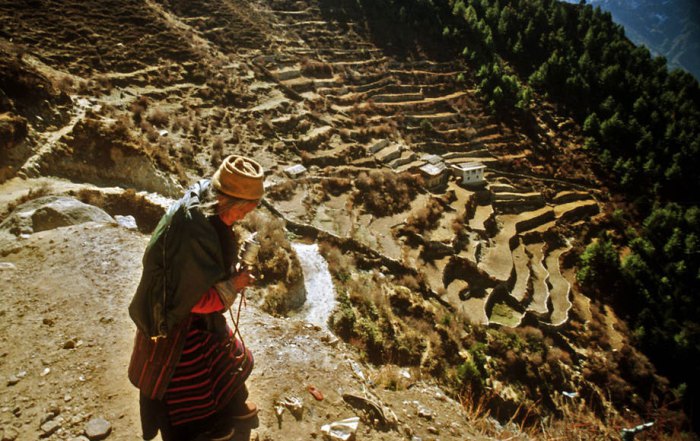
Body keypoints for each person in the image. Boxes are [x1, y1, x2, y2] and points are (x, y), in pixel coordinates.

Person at [128, 155, 264, 441]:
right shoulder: (194, 231)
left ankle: (234, 408)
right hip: (173, 322)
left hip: (195, 316)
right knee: (191, 389)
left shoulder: (208, 201)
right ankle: (203, 431)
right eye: (241, 213)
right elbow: (194, 299)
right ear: (229, 202)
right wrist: (234, 285)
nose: (241, 219)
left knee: (228, 359)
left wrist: (231, 276)